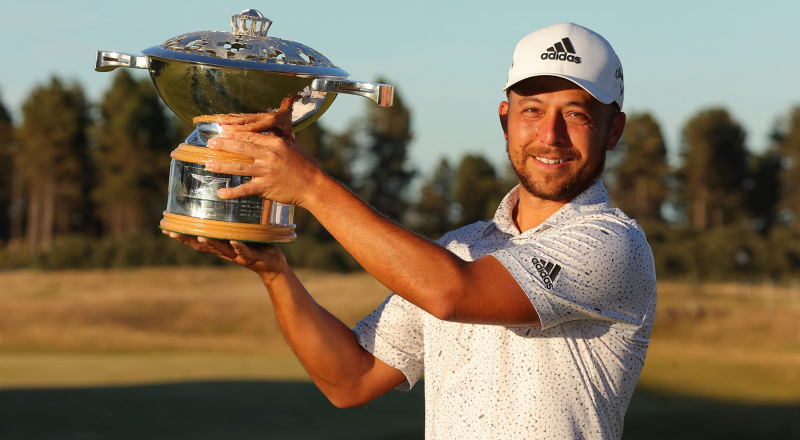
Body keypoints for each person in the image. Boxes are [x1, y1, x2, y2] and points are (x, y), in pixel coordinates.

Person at [167, 22, 656, 440]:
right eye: (533, 109)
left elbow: (452, 293)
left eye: (577, 114)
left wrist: (312, 187)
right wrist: (276, 273)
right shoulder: (463, 248)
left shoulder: (613, 243)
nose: (551, 135)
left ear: (613, 131)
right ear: (506, 118)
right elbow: (351, 380)